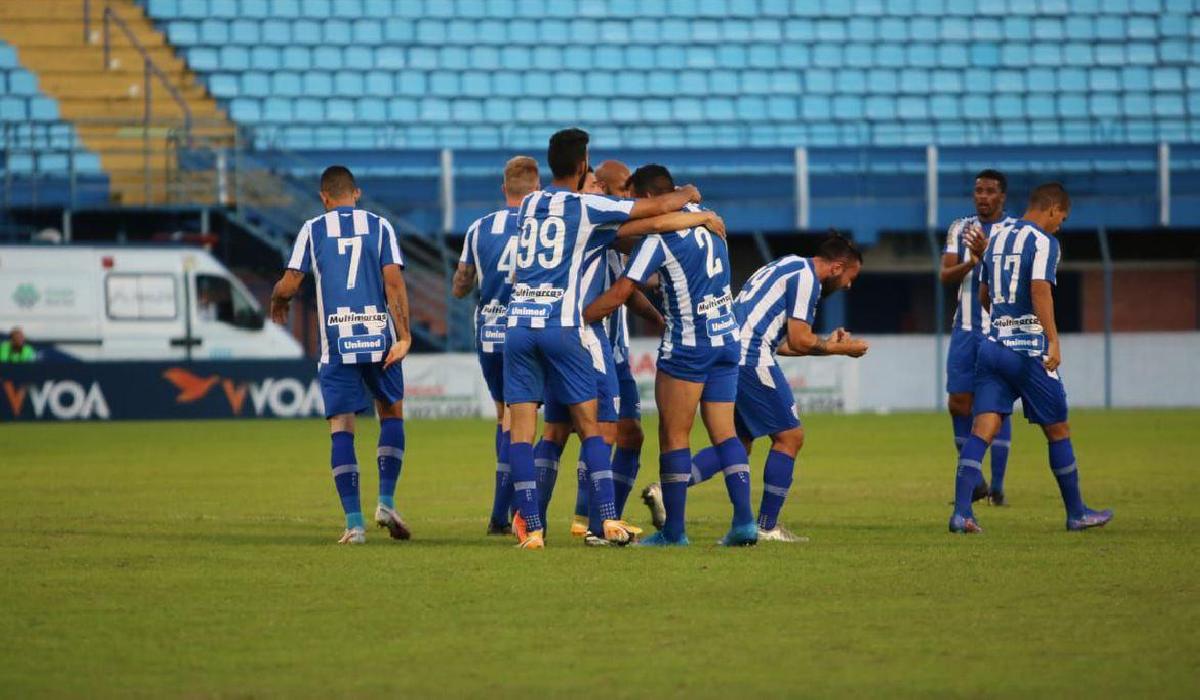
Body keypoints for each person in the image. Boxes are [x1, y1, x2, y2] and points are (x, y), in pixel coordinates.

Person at [504, 128, 715, 549]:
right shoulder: (586, 207)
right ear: (583, 165)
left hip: (518, 325)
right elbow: (656, 209)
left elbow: (642, 221)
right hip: (563, 326)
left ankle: (532, 527)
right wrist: (692, 199)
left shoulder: (530, 204)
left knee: (521, 433)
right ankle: (607, 520)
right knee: (593, 427)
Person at [649, 234, 869, 542]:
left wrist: (828, 344)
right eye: (850, 277)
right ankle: (766, 527)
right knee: (791, 436)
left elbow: (785, 344)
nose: (848, 285)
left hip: (731, 349)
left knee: (739, 442)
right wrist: (843, 349)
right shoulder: (809, 281)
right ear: (837, 267)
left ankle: (666, 488)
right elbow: (800, 339)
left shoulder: (788, 265)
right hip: (749, 357)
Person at [585, 164, 754, 547]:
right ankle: (744, 522)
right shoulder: (707, 220)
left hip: (689, 344)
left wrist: (580, 318)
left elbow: (622, 291)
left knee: (674, 435)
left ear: (648, 199)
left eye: (633, 200)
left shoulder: (657, 238)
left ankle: (674, 531)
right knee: (725, 432)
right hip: (726, 337)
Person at [950, 182, 1113, 533]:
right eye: (1062, 219)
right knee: (1058, 429)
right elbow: (1040, 291)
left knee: (982, 429)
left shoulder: (998, 236)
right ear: (1052, 209)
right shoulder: (1044, 242)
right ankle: (1076, 513)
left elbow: (983, 293)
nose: (1060, 226)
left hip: (991, 348)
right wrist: (1053, 341)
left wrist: (1002, 320)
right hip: (1027, 352)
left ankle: (962, 513)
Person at [270, 166, 412, 545]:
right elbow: (394, 282)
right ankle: (385, 501)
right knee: (391, 411)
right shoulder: (380, 227)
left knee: (342, 427)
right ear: (357, 193)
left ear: (324, 198)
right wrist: (405, 336)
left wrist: (277, 297)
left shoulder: (312, 229)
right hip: (378, 337)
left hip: (337, 342)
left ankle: (354, 524)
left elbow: (291, 282)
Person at [452, 155, 539, 536]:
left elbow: (460, 286)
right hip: (528, 329)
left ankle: (499, 513)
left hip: (489, 330)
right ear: (536, 189)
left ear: (504, 189)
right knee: (521, 420)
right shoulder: (542, 225)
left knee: (504, 414)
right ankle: (509, 511)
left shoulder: (478, 228)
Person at [942, 170, 1019, 506]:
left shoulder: (1016, 232)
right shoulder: (960, 228)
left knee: (996, 406)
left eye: (989, 191)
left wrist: (986, 257)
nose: (982, 196)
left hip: (1001, 330)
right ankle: (977, 483)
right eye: (978, 191)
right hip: (966, 328)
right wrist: (971, 262)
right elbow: (945, 275)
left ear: (1002, 196)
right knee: (958, 402)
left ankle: (998, 487)